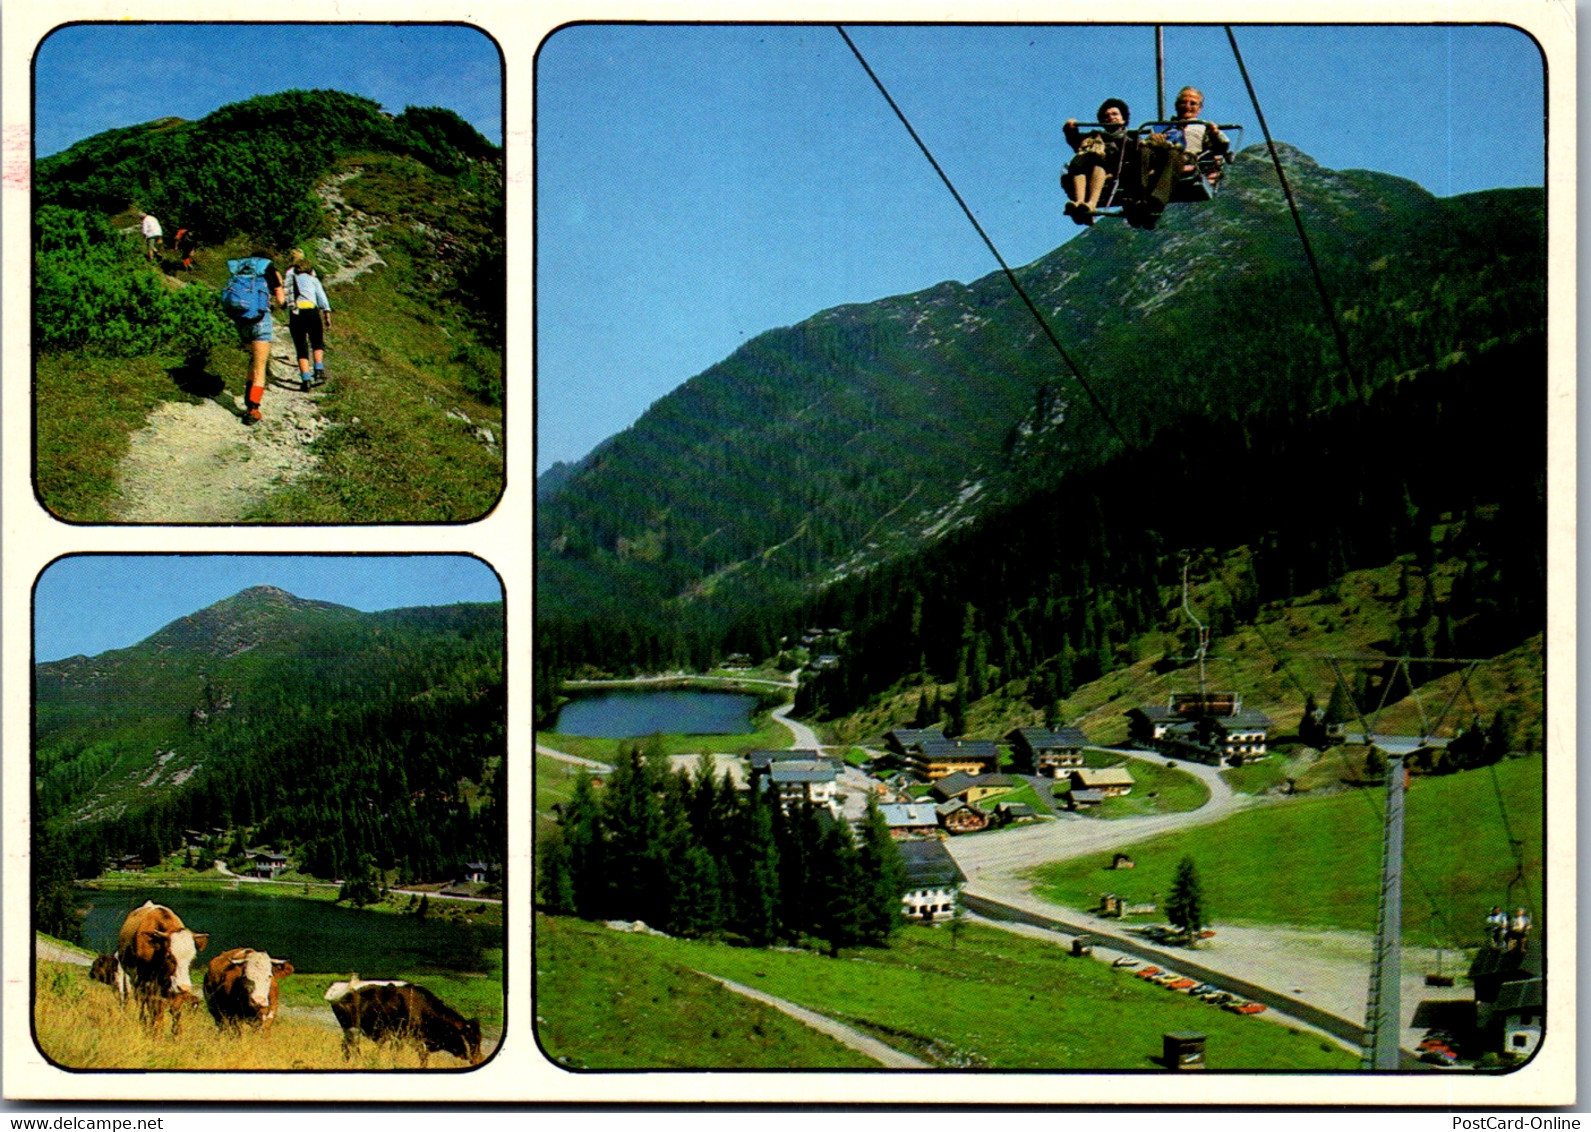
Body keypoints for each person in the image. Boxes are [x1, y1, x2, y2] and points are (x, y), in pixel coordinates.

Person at [225, 252, 285, 425]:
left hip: (241, 320)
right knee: (260, 367)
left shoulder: (240, 269)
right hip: (260, 320)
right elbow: (280, 300)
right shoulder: (269, 269)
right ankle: (253, 408)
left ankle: (248, 398)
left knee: (253, 360)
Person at [1062, 98, 1134, 226]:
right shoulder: (1096, 136)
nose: (1111, 117)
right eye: (1106, 116)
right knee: (1080, 161)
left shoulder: (1130, 139)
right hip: (1087, 167)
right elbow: (1075, 141)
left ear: (1123, 119)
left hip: (1112, 170)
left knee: (1099, 166)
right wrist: (1070, 129)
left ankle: (1091, 205)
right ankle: (1079, 203)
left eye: (1115, 114)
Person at [1158, 87, 1231, 185]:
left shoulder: (1203, 128)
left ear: (1199, 108)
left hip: (1188, 161)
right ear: (1176, 106)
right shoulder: (1163, 127)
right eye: (1183, 102)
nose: (1187, 106)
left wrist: (1215, 133)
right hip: (1162, 160)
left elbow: (1223, 146)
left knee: (1174, 154)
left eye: (1192, 103)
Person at [284, 261, 333, 391]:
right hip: (311, 311)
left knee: (301, 347)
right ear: (310, 270)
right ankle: (318, 370)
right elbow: (322, 298)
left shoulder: (290, 280)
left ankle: (305, 380)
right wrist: (327, 315)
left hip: (296, 313)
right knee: (317, 342)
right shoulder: (313, 280)